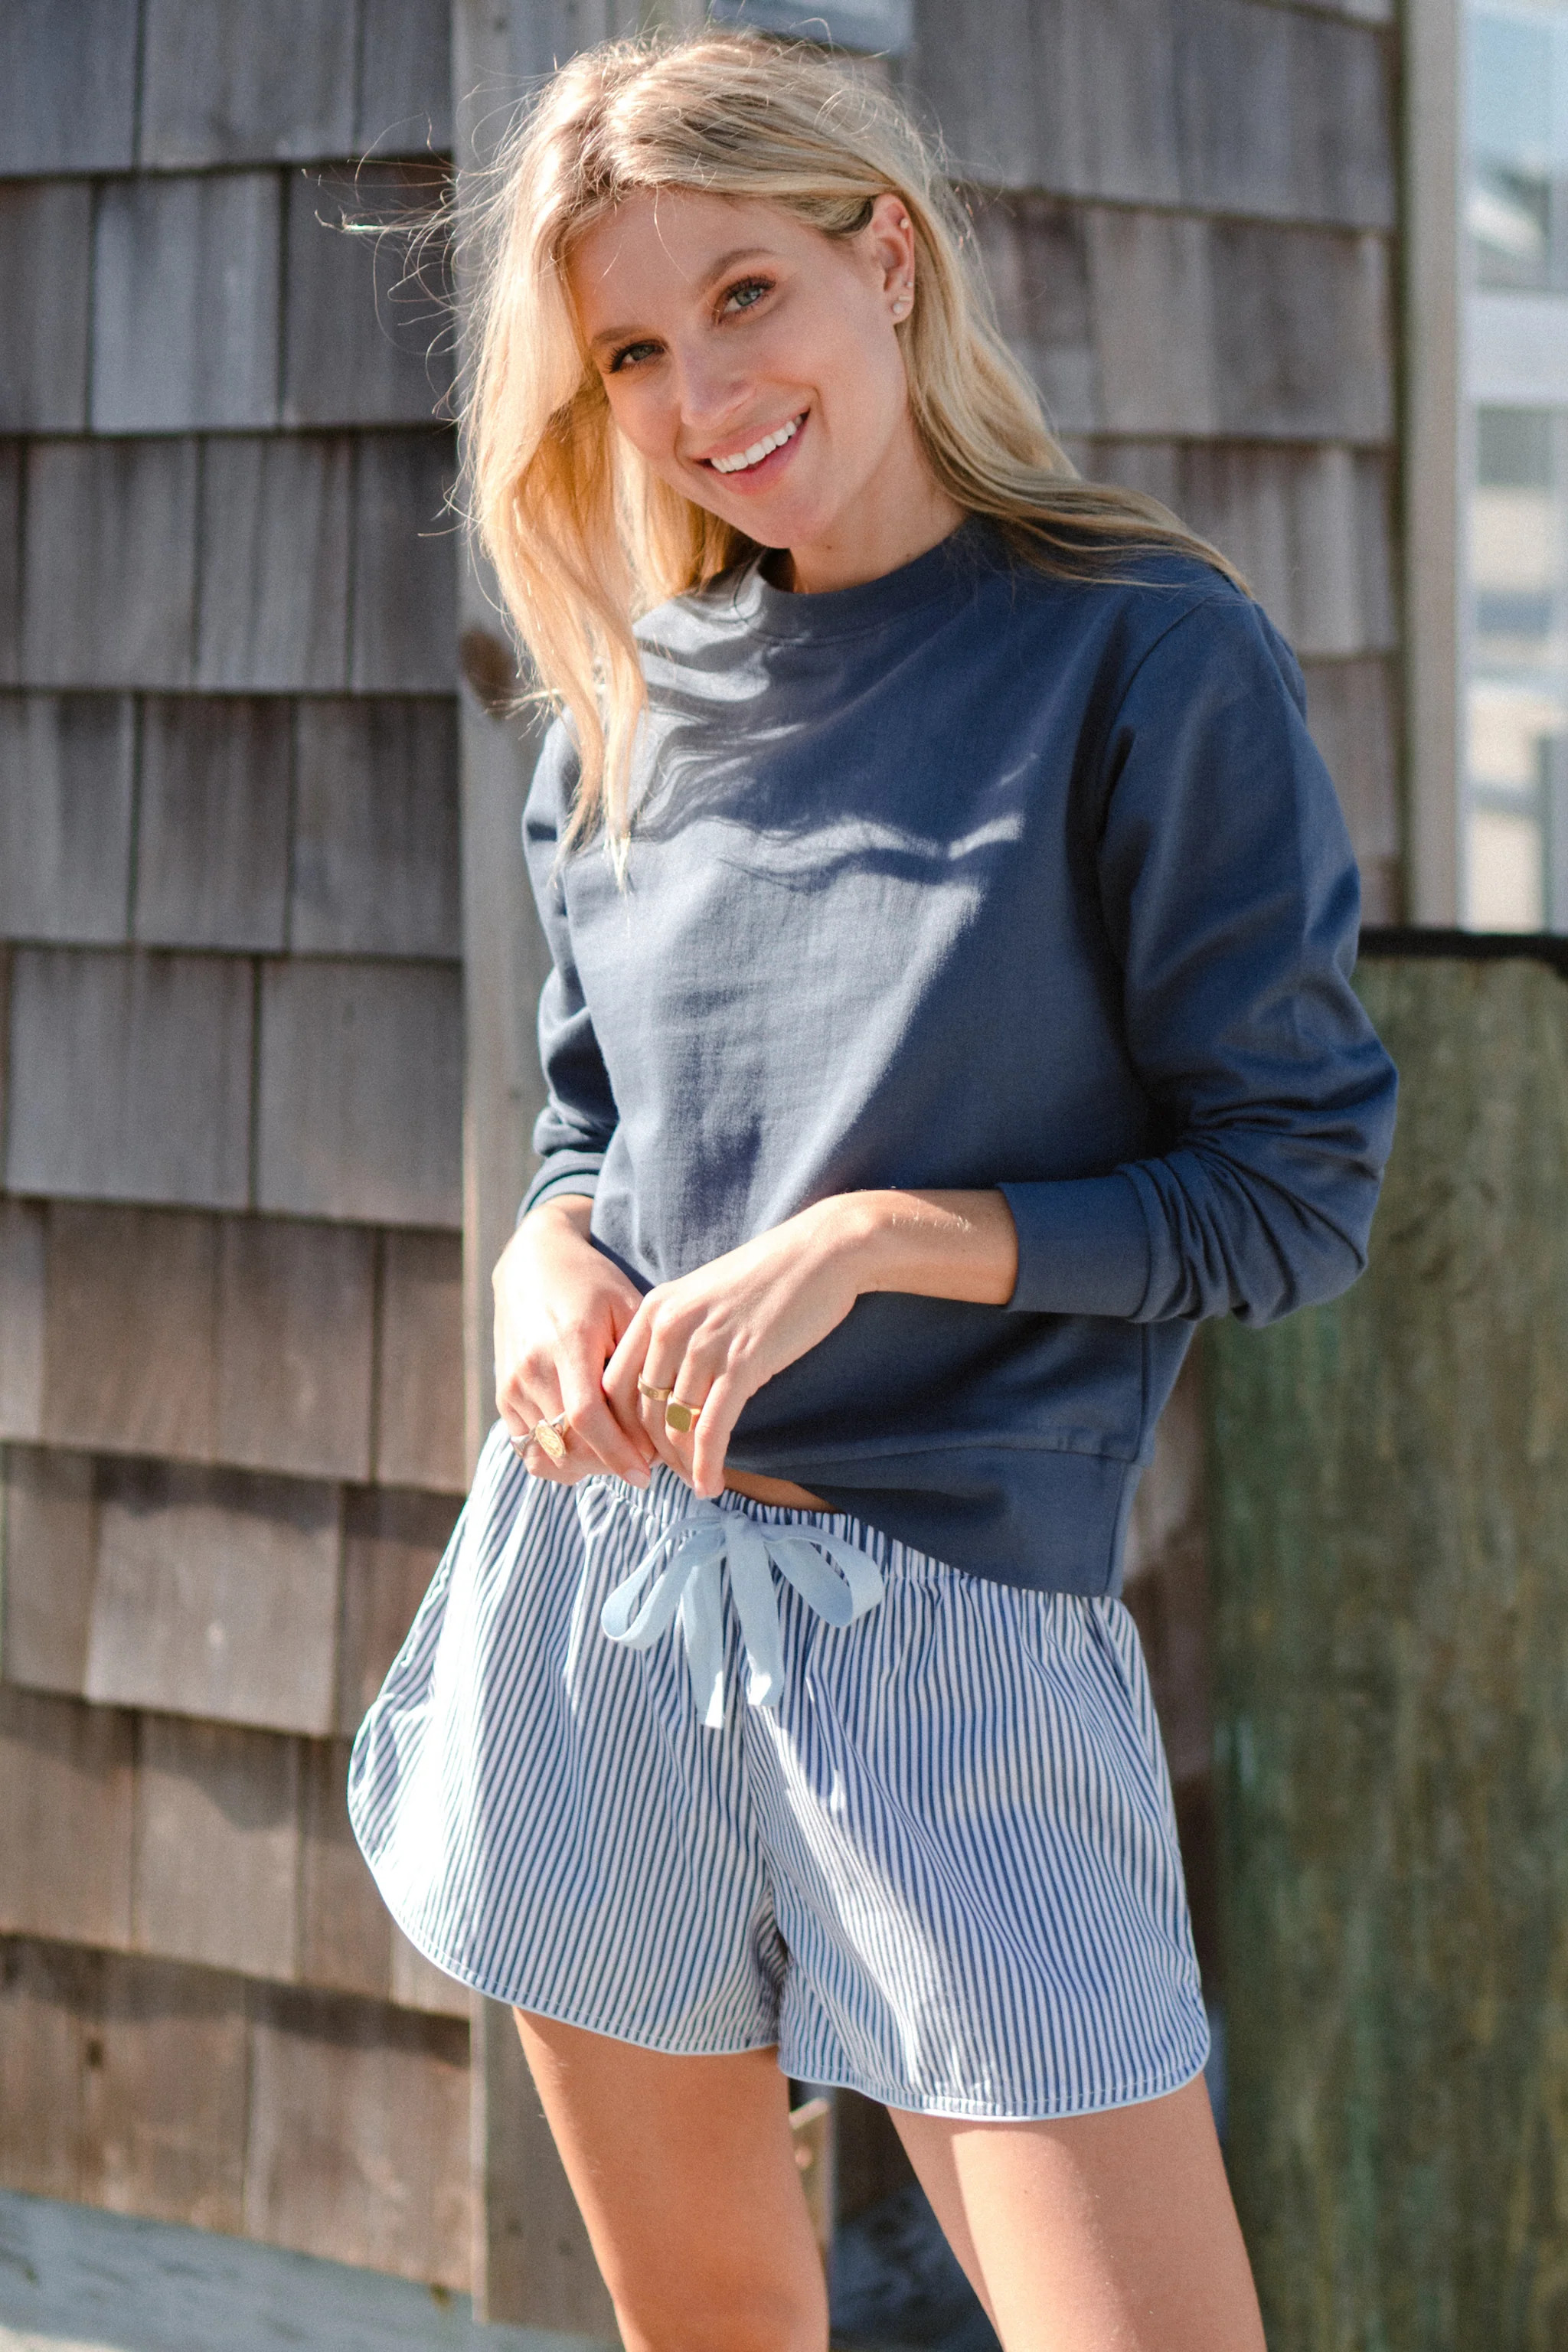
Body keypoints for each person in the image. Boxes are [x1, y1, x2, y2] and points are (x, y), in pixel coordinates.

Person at [350, 31, 1397, 2352]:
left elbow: (1297, 1190)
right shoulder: (618, 708)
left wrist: (888, 1238)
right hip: (605, 1609)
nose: (700, 393)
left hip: (955, 1646)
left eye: (745, 294)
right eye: (631, 351)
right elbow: (595, 1129)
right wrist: (542, 1255)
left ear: (886, 256)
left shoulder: (1146, 658)